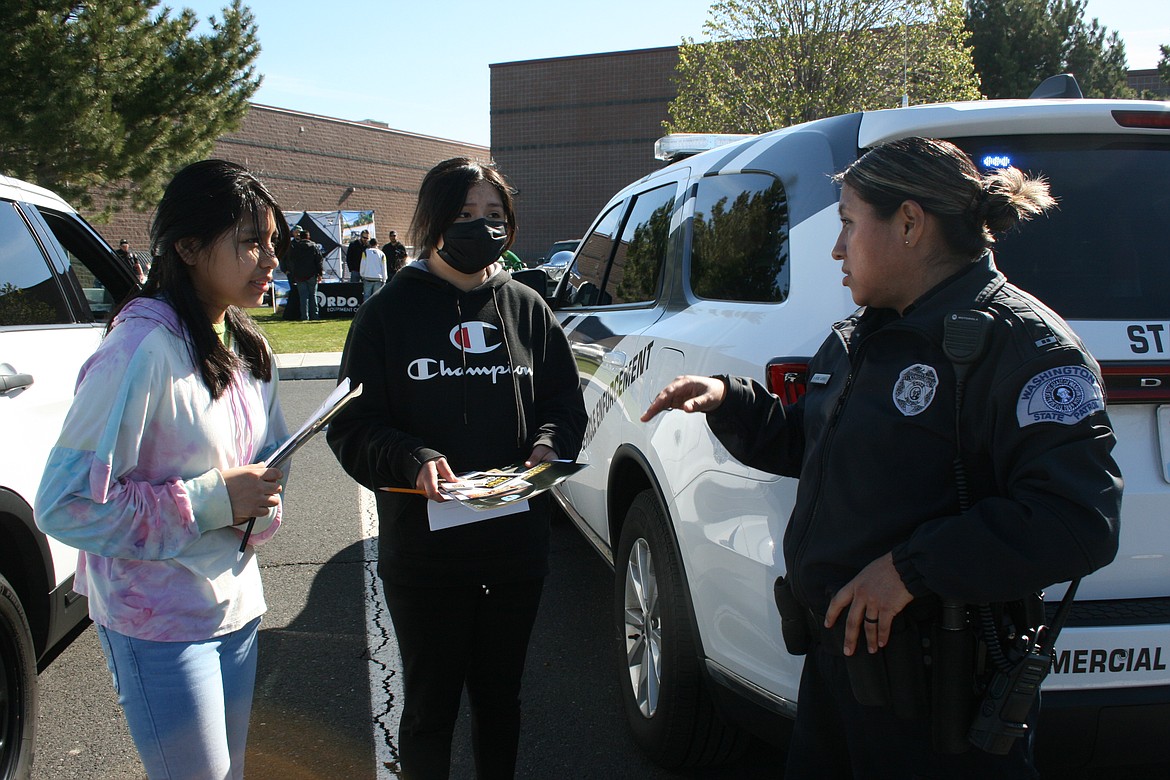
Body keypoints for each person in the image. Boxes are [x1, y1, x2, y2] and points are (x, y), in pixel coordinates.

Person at [641, 137, 1121, 779]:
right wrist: (731, 401)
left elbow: (1077, 519)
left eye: (846, 222)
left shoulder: (1020, 345)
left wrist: (910, 571)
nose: (837, 249)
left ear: (910, 223)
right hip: (841, 678)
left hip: (938, 706)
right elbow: (822, 447)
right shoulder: (865, 335)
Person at [327, 157, 586, 780]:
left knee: (501, 703)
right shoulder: (388, 314)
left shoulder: (528, 310)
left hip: (513, 549)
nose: (482, 227)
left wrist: (549, 444)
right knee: (428, 710)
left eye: (494, 215)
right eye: (465, 214)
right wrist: (413, 459)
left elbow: (562, 404)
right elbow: (351, 425)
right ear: (434, 219)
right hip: (426, 558)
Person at [35, 159, 290, 780]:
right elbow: (63, 503)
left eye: (272, 242)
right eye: (251, 242)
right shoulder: (137, 350)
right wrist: (212, 501)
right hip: (158, 622)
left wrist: (261, 499)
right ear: (189, 246)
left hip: (236, 607)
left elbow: (265, 467)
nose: (271, 259)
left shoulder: (248, 348)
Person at [286, 224, 324, 320]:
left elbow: (291, 261)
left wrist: (293, 273)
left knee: (303, 297)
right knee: (313, 296)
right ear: (308, 237)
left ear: (300, 237)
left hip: (299, 276)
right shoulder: (314, 246)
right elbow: (319, 261)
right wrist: (320, 273)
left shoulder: (295, 247)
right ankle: (315, 316)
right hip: (312, 275)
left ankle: (304, 316)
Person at [361, 235, 388, 301]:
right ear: (377, 244)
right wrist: (384, 279)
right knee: (376, 298)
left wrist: (362, 274)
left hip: (367, 278)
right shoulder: (382, 254)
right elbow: (384, 267)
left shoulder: (365, 252)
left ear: (370, 244)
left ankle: (366, 311)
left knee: (366, 297)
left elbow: (362, 265)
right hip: (378, 279)